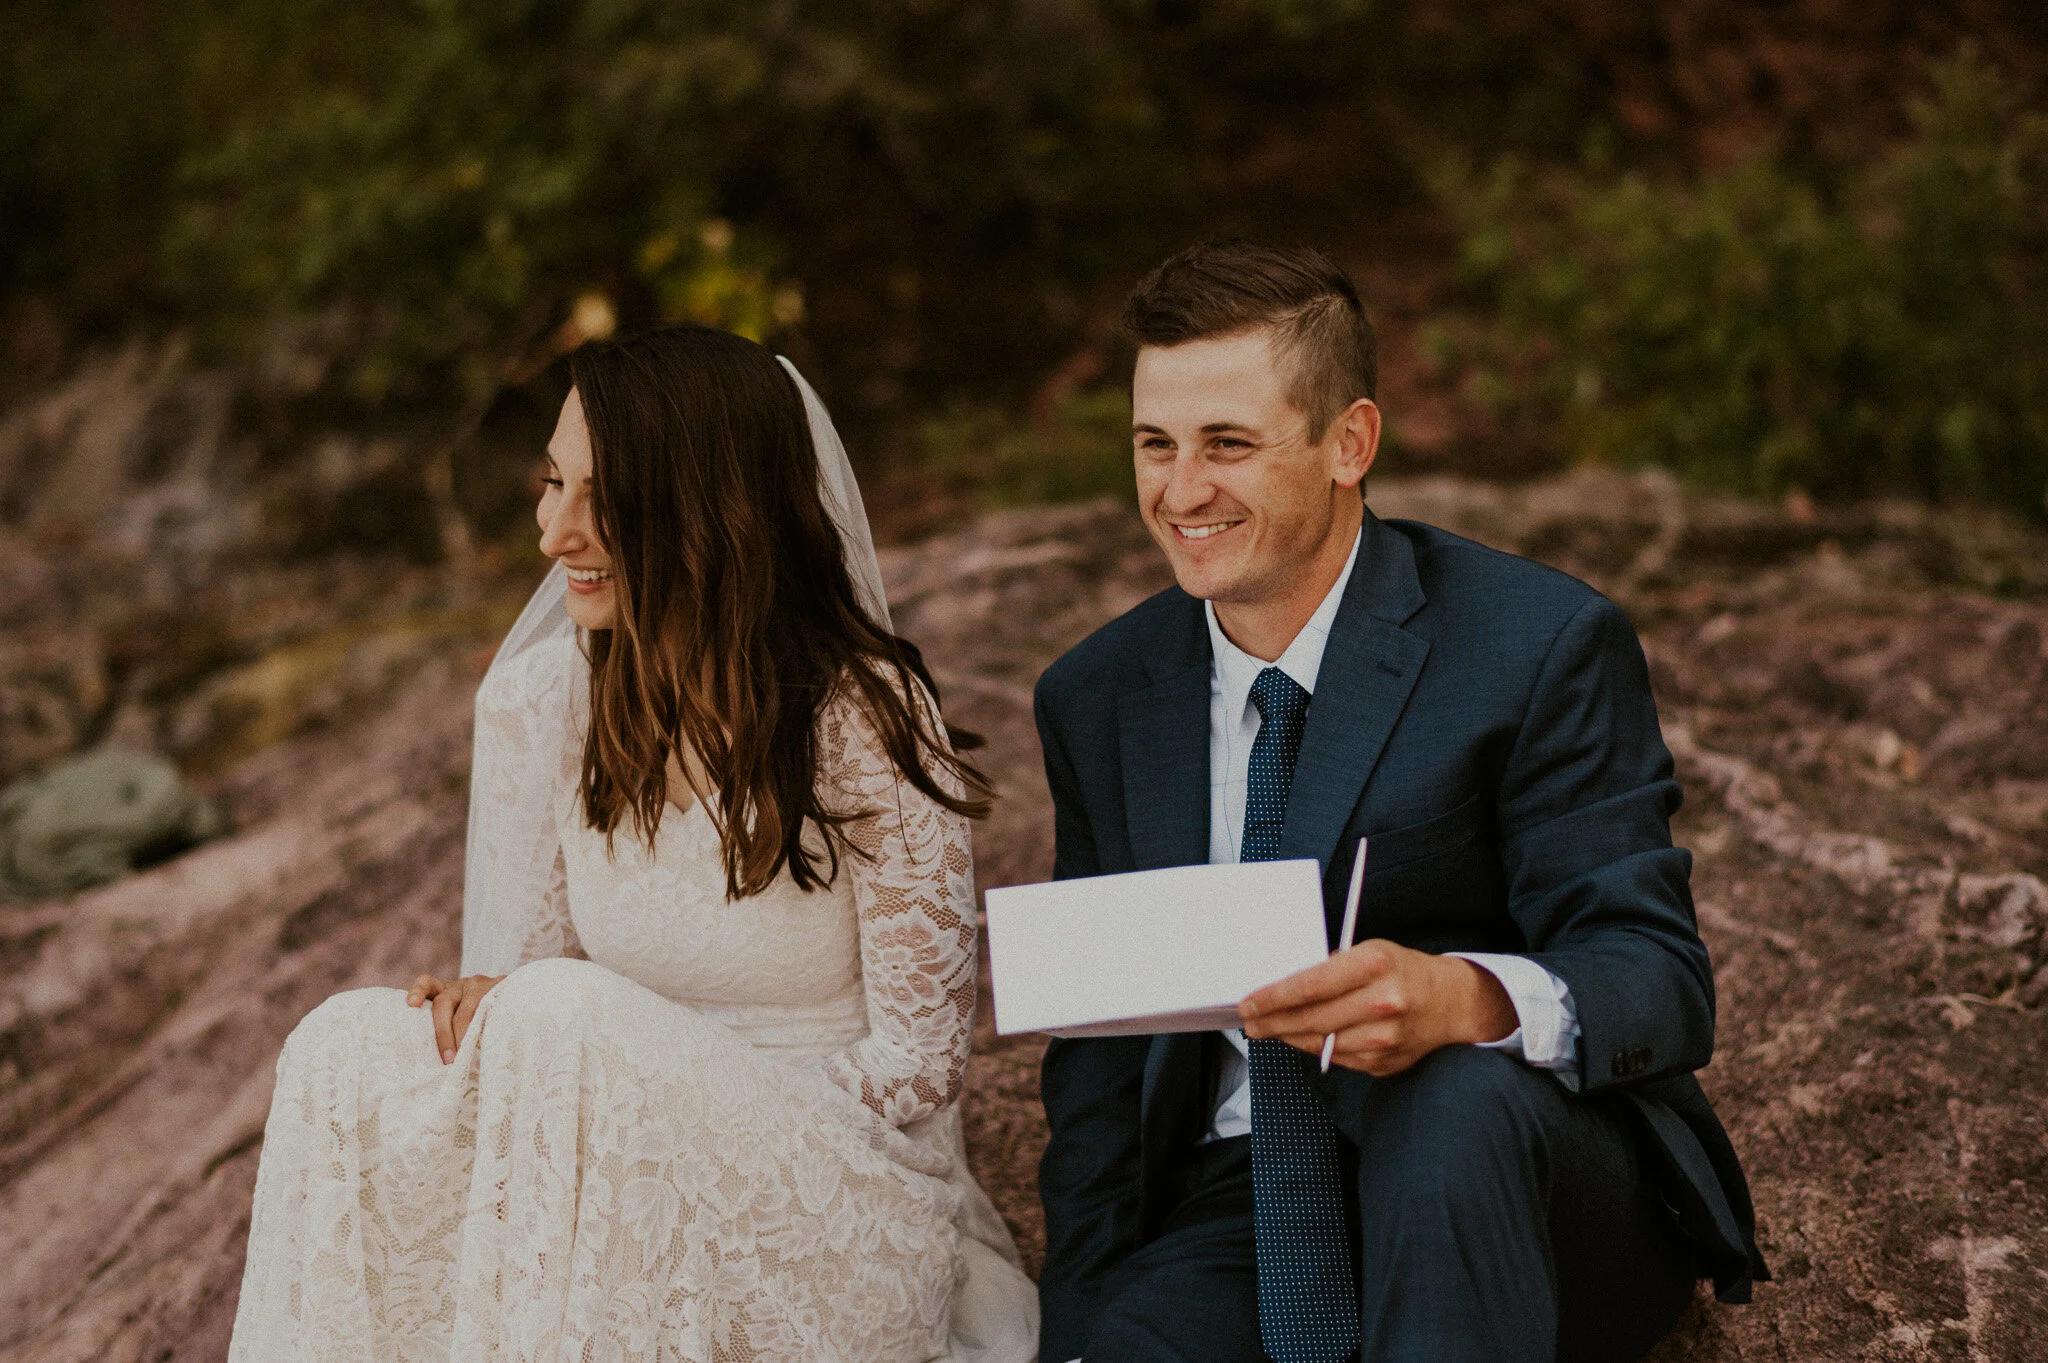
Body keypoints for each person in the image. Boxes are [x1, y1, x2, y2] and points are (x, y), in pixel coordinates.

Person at [229, 325, 1039, 1362]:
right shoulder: (540, 702)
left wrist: (673, 1103)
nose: (552, 534)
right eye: (549, 483)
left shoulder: (859, 714)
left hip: (837, 1195)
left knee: (563, 1017)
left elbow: (921, 1063)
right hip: (613, 1147)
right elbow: (532, 989)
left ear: (709, 509)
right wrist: (475, 1018)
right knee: (344, 1046)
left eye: (599, 499)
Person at [1030, 241, 1767, 1363]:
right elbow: (1097, 1063)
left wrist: (1463, 997)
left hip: (1514, 1177)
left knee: (1447, 1104)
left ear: (1348, 443)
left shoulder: (1534, 645)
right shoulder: (1094, 696)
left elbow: (1655, 978)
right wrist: (1077, 1323)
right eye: (1154, 444)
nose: (1180, 490)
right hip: (1251, 1199)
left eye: (1228, 443)